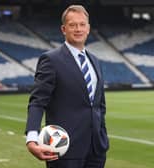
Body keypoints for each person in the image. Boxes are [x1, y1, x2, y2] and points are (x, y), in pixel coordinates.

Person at [25, 4, 109, 168]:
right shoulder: (50, 60)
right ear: (64, 29)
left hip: (97, 149)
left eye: (82, 24)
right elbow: (37, 101)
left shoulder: (95, 61)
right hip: (64, 149)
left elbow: (99, 105)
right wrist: (32, 138)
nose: (78, 29)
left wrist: (102, 135)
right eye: (72, 25)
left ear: (88, 28)